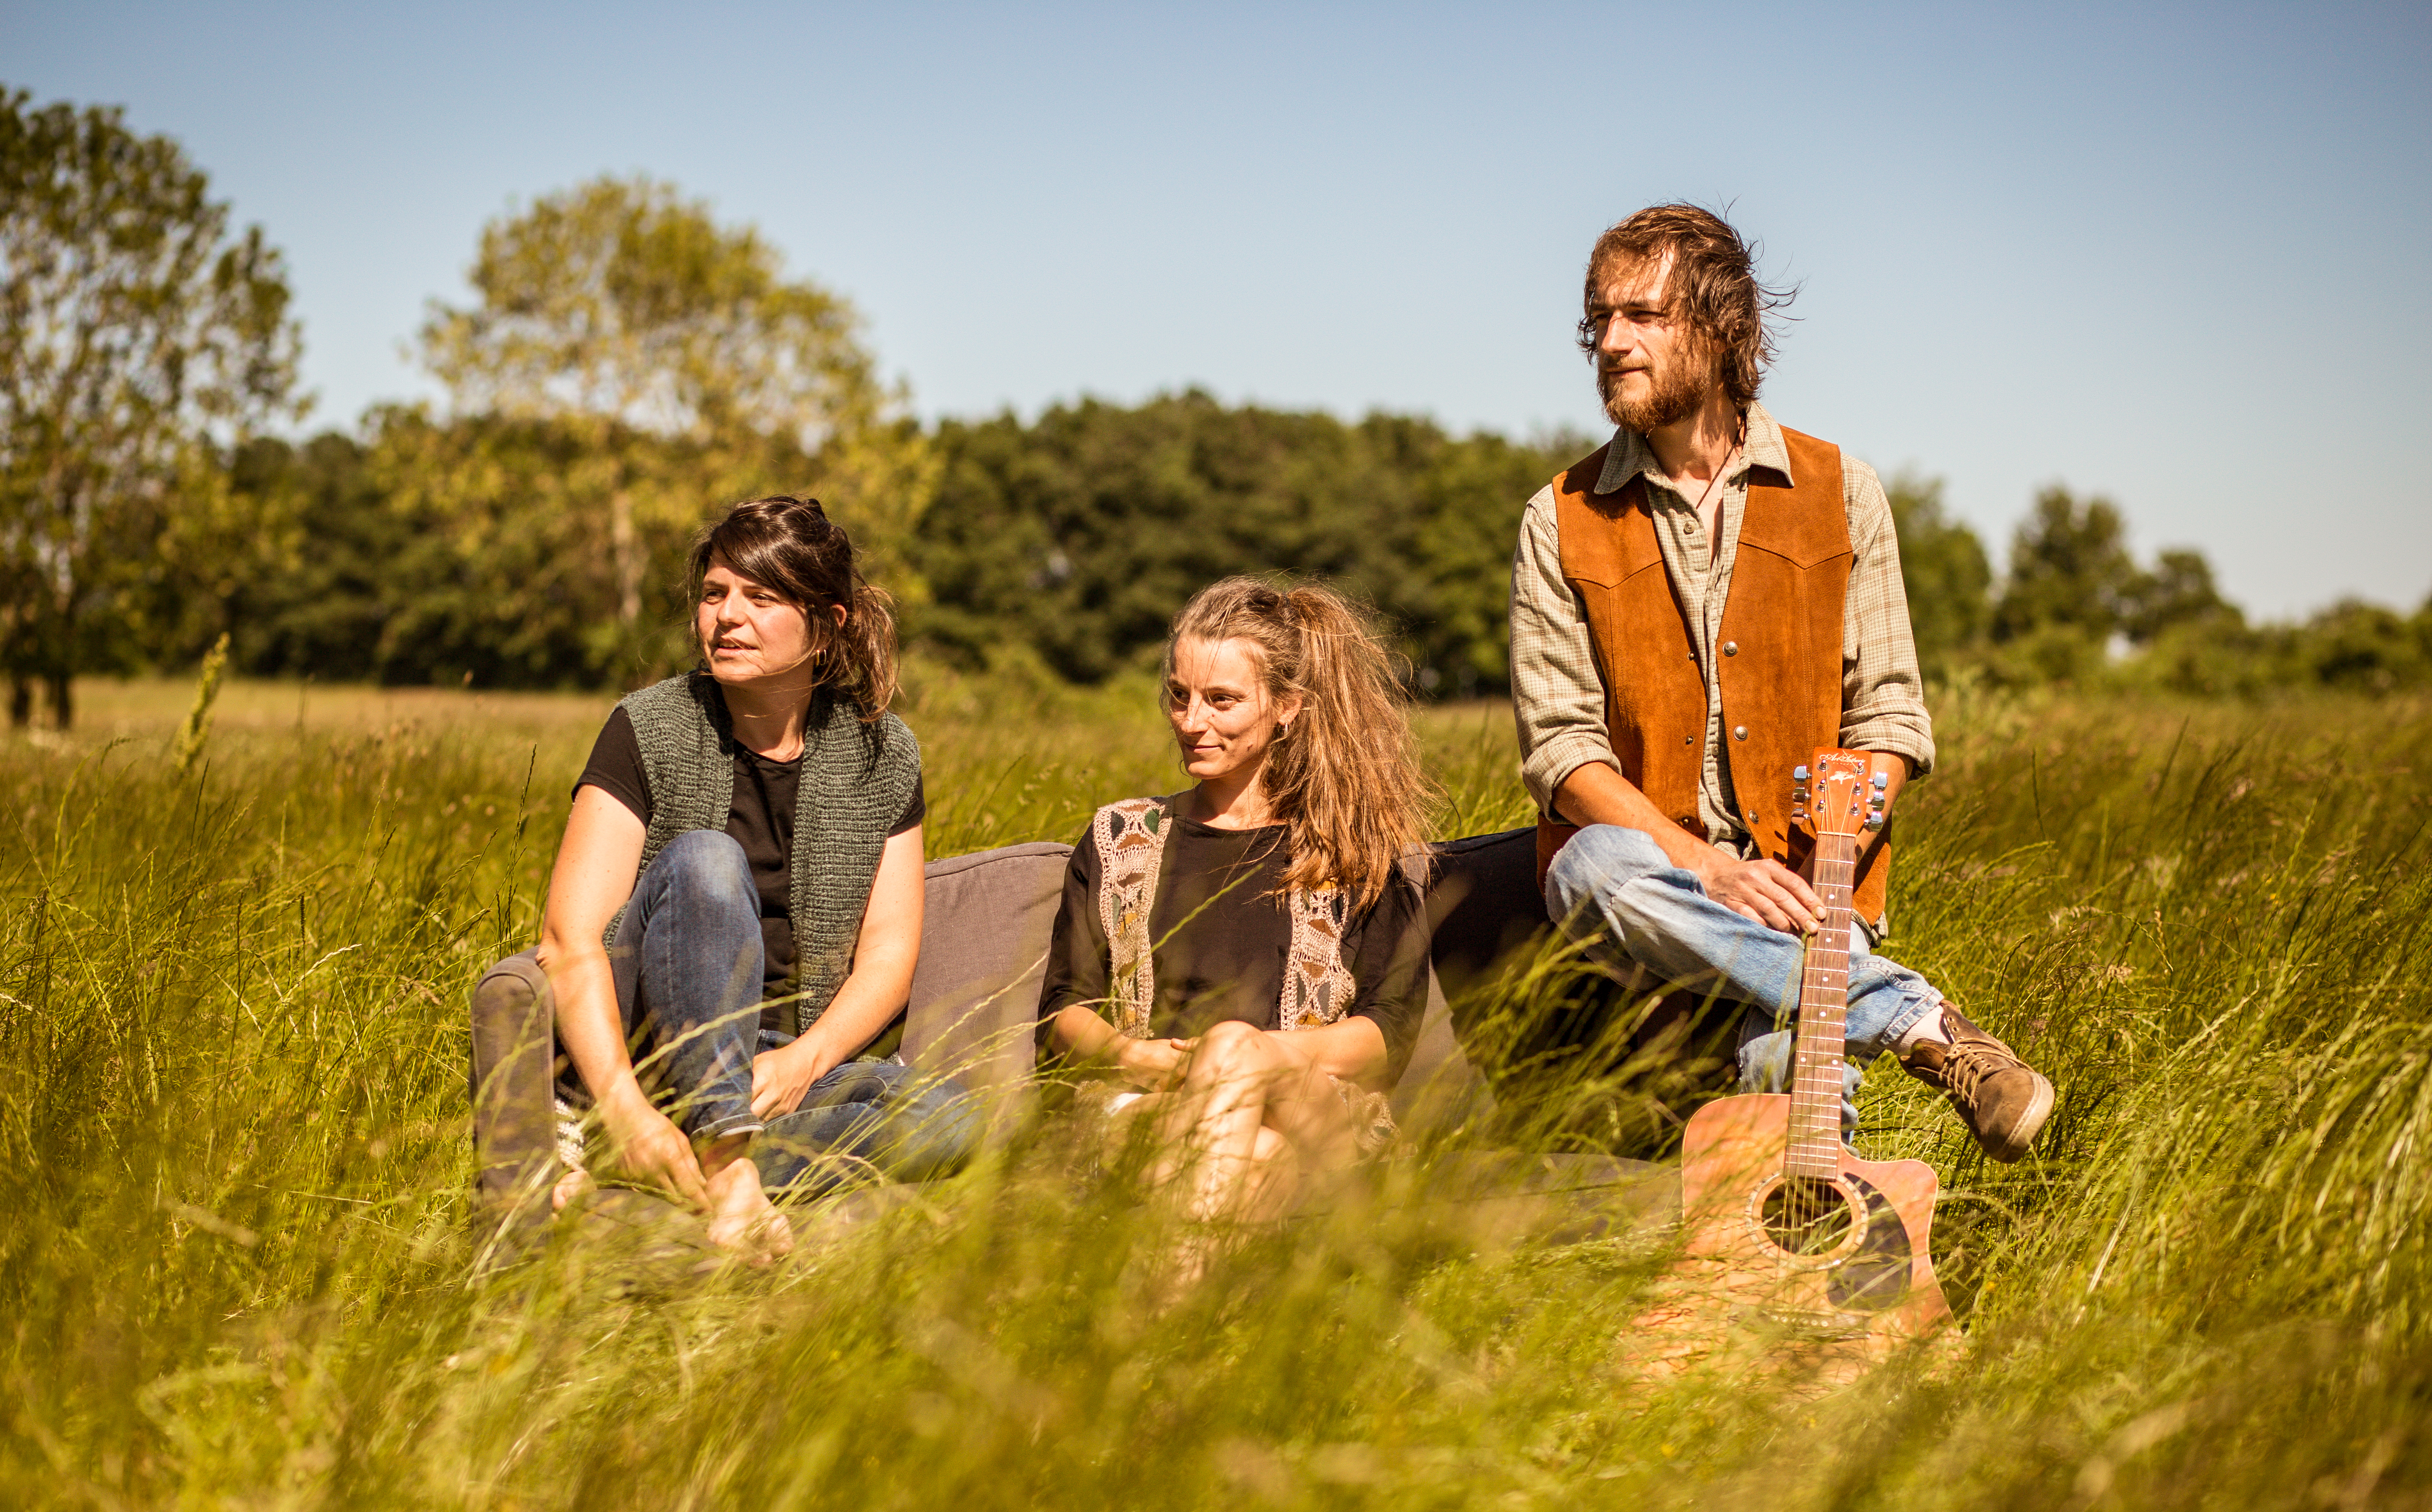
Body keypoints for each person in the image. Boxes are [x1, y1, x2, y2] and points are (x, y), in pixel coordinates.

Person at [1510, 205, 2056, 1161]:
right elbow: (1563, 756)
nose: (1612, 341)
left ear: (1723, 330)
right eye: (1602, 319)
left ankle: (1800, 1295)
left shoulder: (1844, 490)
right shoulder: (1559, 517)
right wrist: (1709, 868)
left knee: (1789, 1086)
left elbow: (1889, 712)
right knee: (1587, 866)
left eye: (1643, 315)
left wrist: (1840, 841)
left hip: (1811, 884)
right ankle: (1918, 1022)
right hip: (1648, 885)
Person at [539, 495, 977, 1261]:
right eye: (715, 594)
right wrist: (623, 1105)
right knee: (708, 858)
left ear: (828, 622)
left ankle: (662, 1163)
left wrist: (805, 1061)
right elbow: (569, 941)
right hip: (662, 1043)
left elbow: (888, 955)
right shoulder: (649, 726)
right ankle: (721, 1161)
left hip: (786, 1061)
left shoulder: (883, 753)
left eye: (760, 597)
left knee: (952, 1117)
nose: (727, 617)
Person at [1036, 578, 1433, 1222]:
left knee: (1238, 1056)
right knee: (1261, 1156)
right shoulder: (1121, 840)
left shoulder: (1351, 849)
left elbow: (1389, 1032)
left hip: (1315, 1108)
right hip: (1153, 1105)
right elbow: (1063, 1009)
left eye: (1221, 700)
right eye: (1179, 696)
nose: (1193, 722)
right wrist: (1130, 1055)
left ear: (1287, 706)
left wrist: (1248, 1057)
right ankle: (1186, 1305)